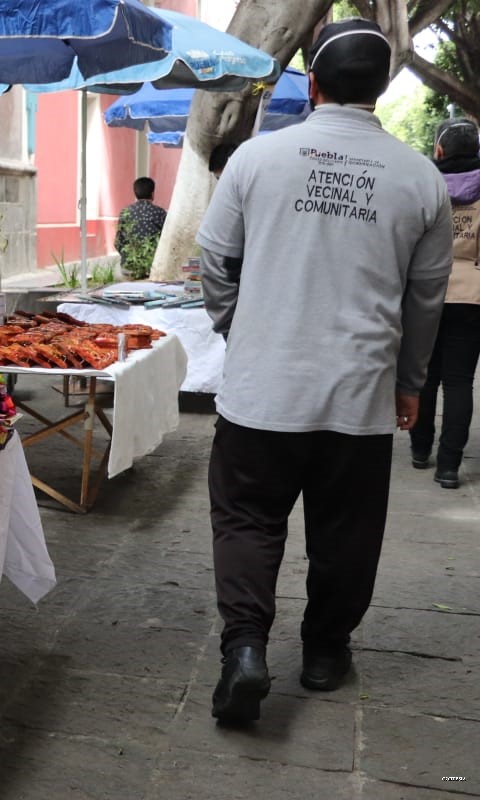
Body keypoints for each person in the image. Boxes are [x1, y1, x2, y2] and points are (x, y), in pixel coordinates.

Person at [195, 18, 453, 725]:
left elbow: (214, 260)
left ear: (311, 83)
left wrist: (235, 325)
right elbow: (424, 298)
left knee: (247, 519)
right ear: (383, 86)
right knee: (347, 529)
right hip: (359, 394)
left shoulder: (255, 160)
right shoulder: (419, 179)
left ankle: (246, 648)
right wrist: (410, 382)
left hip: (260, 393)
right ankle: (323, 652)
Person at [408, 118, 480, 489]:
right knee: (459, 382)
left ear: (439, 149)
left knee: (425, 375)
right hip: (472, 297)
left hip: (426, 292)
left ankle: (420, 450)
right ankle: (449, 467)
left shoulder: (424, 185)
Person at [114, 177, 167, 277]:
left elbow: (118, 242)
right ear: (152, 193)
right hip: (152, 267)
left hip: (129, 267)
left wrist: (128, 257)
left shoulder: (125, 212)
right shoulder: (160, 213)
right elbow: (166, 241)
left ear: (135, 193)